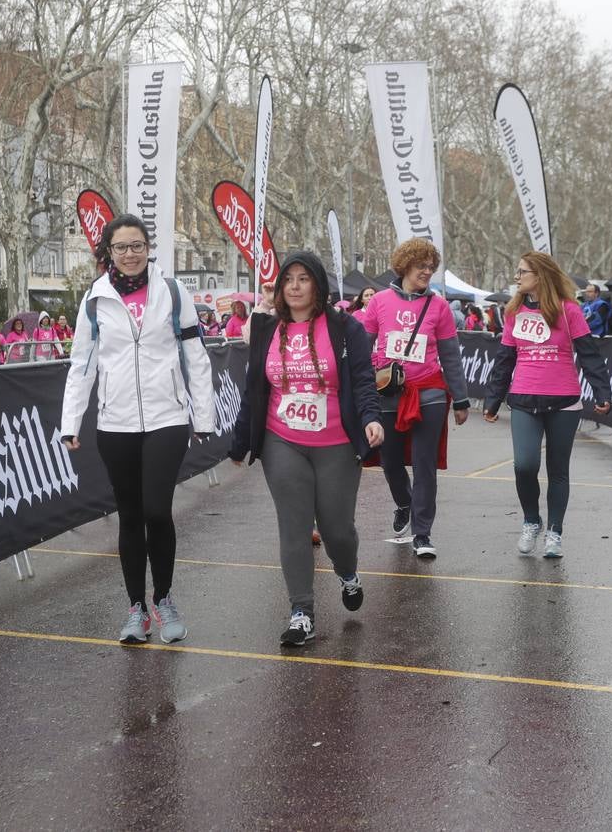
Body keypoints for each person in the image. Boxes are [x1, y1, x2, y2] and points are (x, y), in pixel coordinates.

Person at [58, 213, 215, 643]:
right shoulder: (94, 298)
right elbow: (82, 365)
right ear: (108, 252)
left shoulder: (170, 290)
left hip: (167, 418)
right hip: (115, 423)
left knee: (156, 511)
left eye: (137, 246)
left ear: (149, 249)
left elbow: (195, 356)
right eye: (121, 248)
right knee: (129, 515)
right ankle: (136, 610)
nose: (130, 255)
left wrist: (203, 416)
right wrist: (70, 423)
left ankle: (164, 599)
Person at [228, 251, 384, 646]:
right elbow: (253, 388)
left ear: (317, 284)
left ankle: (347, 572)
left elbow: (363, 379)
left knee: (336, 530)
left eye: (303, 278)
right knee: (294, 527)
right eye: (288, 279)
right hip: (282, 440)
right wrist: (240, 441)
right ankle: (302, 612)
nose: (294, 286)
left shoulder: (344, 327)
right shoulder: (265, 327)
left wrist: (371, 418)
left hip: (335, 441)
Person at [483, 252, 612, 559]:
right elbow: (505, 359)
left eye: (522, 271)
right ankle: (531, 520)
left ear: (540, 275)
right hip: (524, 398)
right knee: (524, 465)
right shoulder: (514, 311)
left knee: (558, 470)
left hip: (564, 400)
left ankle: (554, 532)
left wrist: (602, 392)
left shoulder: (569, 311)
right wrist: (493, 398)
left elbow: (589, 354)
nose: (517, 277)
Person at [359, 238, 470, 559]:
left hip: (430, 392)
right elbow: (363, 350)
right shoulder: (379, 302)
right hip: (388, 393)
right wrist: (357, 391)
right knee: (389, 459)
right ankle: (404, 502)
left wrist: (460, 400)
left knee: (424, 465)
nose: (426, 272)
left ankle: (423, 533)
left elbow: (451, 356)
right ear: (405, 265)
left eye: (431, 267)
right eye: (421, 266)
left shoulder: (439, 307)